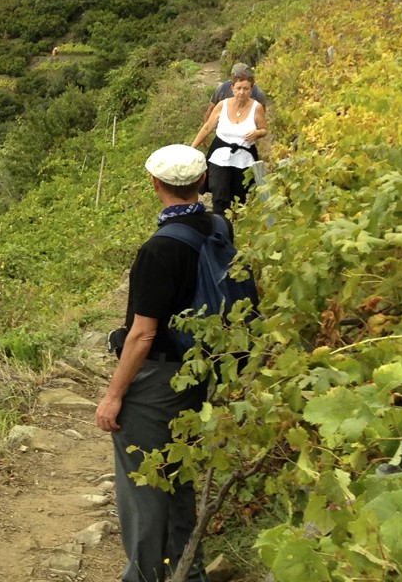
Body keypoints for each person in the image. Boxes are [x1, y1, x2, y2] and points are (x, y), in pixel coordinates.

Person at [96, 145, 214, 582]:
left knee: (142, 481)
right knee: (177, 470)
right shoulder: (216, 225)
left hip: (158, 377)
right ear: (201, 183)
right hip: (198, 370)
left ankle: (143, 576)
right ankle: (186, 569)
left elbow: (143, 334)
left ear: (155, 184)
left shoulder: (159, 249)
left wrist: (114, 395)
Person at [192, 77, 267, 215]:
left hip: (244, 158)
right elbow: (207, 127)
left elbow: (264, 129)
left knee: (239, 197)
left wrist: (256, 133)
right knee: (219, 194)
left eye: (246, 88)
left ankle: (235, 228)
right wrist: (192, 148)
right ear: (232, 88)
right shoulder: (222, 105)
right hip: (220, 156)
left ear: (251, 90)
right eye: (238, 88)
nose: (241, 92)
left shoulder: (257, 108)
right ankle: (219, 228)